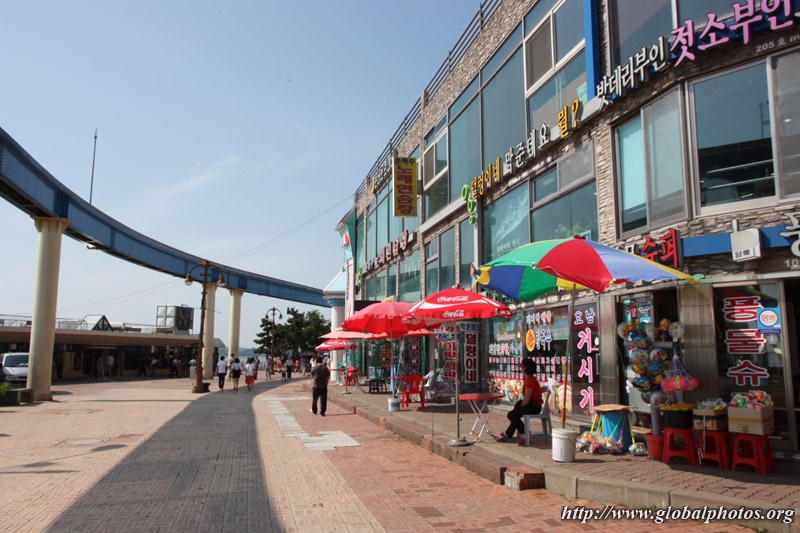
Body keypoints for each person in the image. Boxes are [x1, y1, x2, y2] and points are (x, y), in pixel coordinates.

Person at [498, 358, 543, 445]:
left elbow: (527, 398)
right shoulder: (530, 379)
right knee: (515, 411)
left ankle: (525, 434)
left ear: (525, 368)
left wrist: (521, 406)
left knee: (512, 414)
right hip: (533, 405)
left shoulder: (529, 380)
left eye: (522, 367)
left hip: (534, 406)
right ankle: (509, 433)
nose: (521, 369)